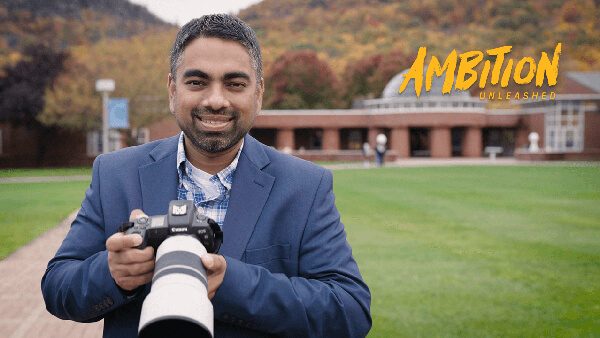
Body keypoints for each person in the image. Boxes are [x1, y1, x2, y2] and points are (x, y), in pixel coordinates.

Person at [41, 14, 371, 337]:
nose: (215, 100)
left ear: (257, 95)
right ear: (173, 91)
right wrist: (112, 274)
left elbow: (350, 310)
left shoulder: (304, 186)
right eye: (197, 82)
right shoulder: (115, 173)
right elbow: (58, 287)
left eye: (235, 84)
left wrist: (233, 283)